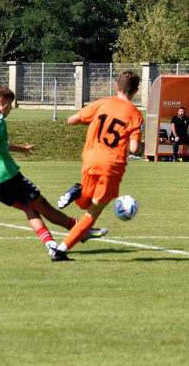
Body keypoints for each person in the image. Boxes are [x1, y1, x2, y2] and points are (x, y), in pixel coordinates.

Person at [0, 84, 105, 259]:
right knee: (43, 205)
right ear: (1, 101)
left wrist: (22, 148)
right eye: (10, 105)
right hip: (6, 174)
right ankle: (81, 229)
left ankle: (51, 244)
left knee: (29, 208)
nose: (10, 109)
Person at [52, 70, 144, 261]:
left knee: (85, 201)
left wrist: (93, 121)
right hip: (112, 166)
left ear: (116, 87)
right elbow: (134, 149)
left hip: (91, 159)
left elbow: (72, 120)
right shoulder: (135, 114)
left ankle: (76, 191)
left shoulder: (103, 103)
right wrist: (144, 146)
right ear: (136, 91)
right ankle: (61, 251)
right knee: (92, 212)